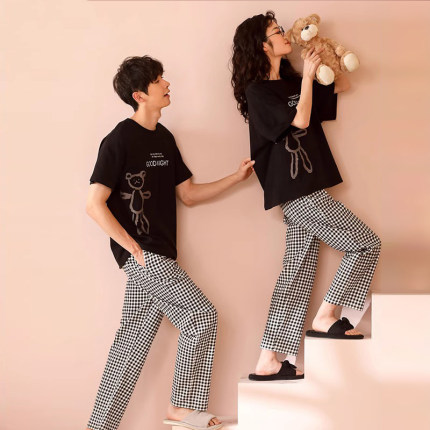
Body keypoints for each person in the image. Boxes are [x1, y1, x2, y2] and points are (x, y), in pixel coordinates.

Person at [85, 55, 255, 430]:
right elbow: (94, 204)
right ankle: (182, 408)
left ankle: (98, 427)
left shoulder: (164, 138)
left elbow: (188, 194)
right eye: (158, 80)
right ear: (139, 95)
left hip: (157, 253)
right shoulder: (118, 140)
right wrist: (132, 247)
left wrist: (235, 178)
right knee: (201, 316)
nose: (167, 84)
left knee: (130, 345)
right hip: (145, 255)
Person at [230, 11, 381, 380]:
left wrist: (324, 55)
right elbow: (299, 120)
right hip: (297, 190)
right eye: (277, 32)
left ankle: (268, 359)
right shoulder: (257, 92)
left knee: (295, 275)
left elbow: (342, 85)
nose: (284, 35)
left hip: (309, 185)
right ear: (263, 46)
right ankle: (327, 315)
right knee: (366, 243)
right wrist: (309, 78)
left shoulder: (293, 82)